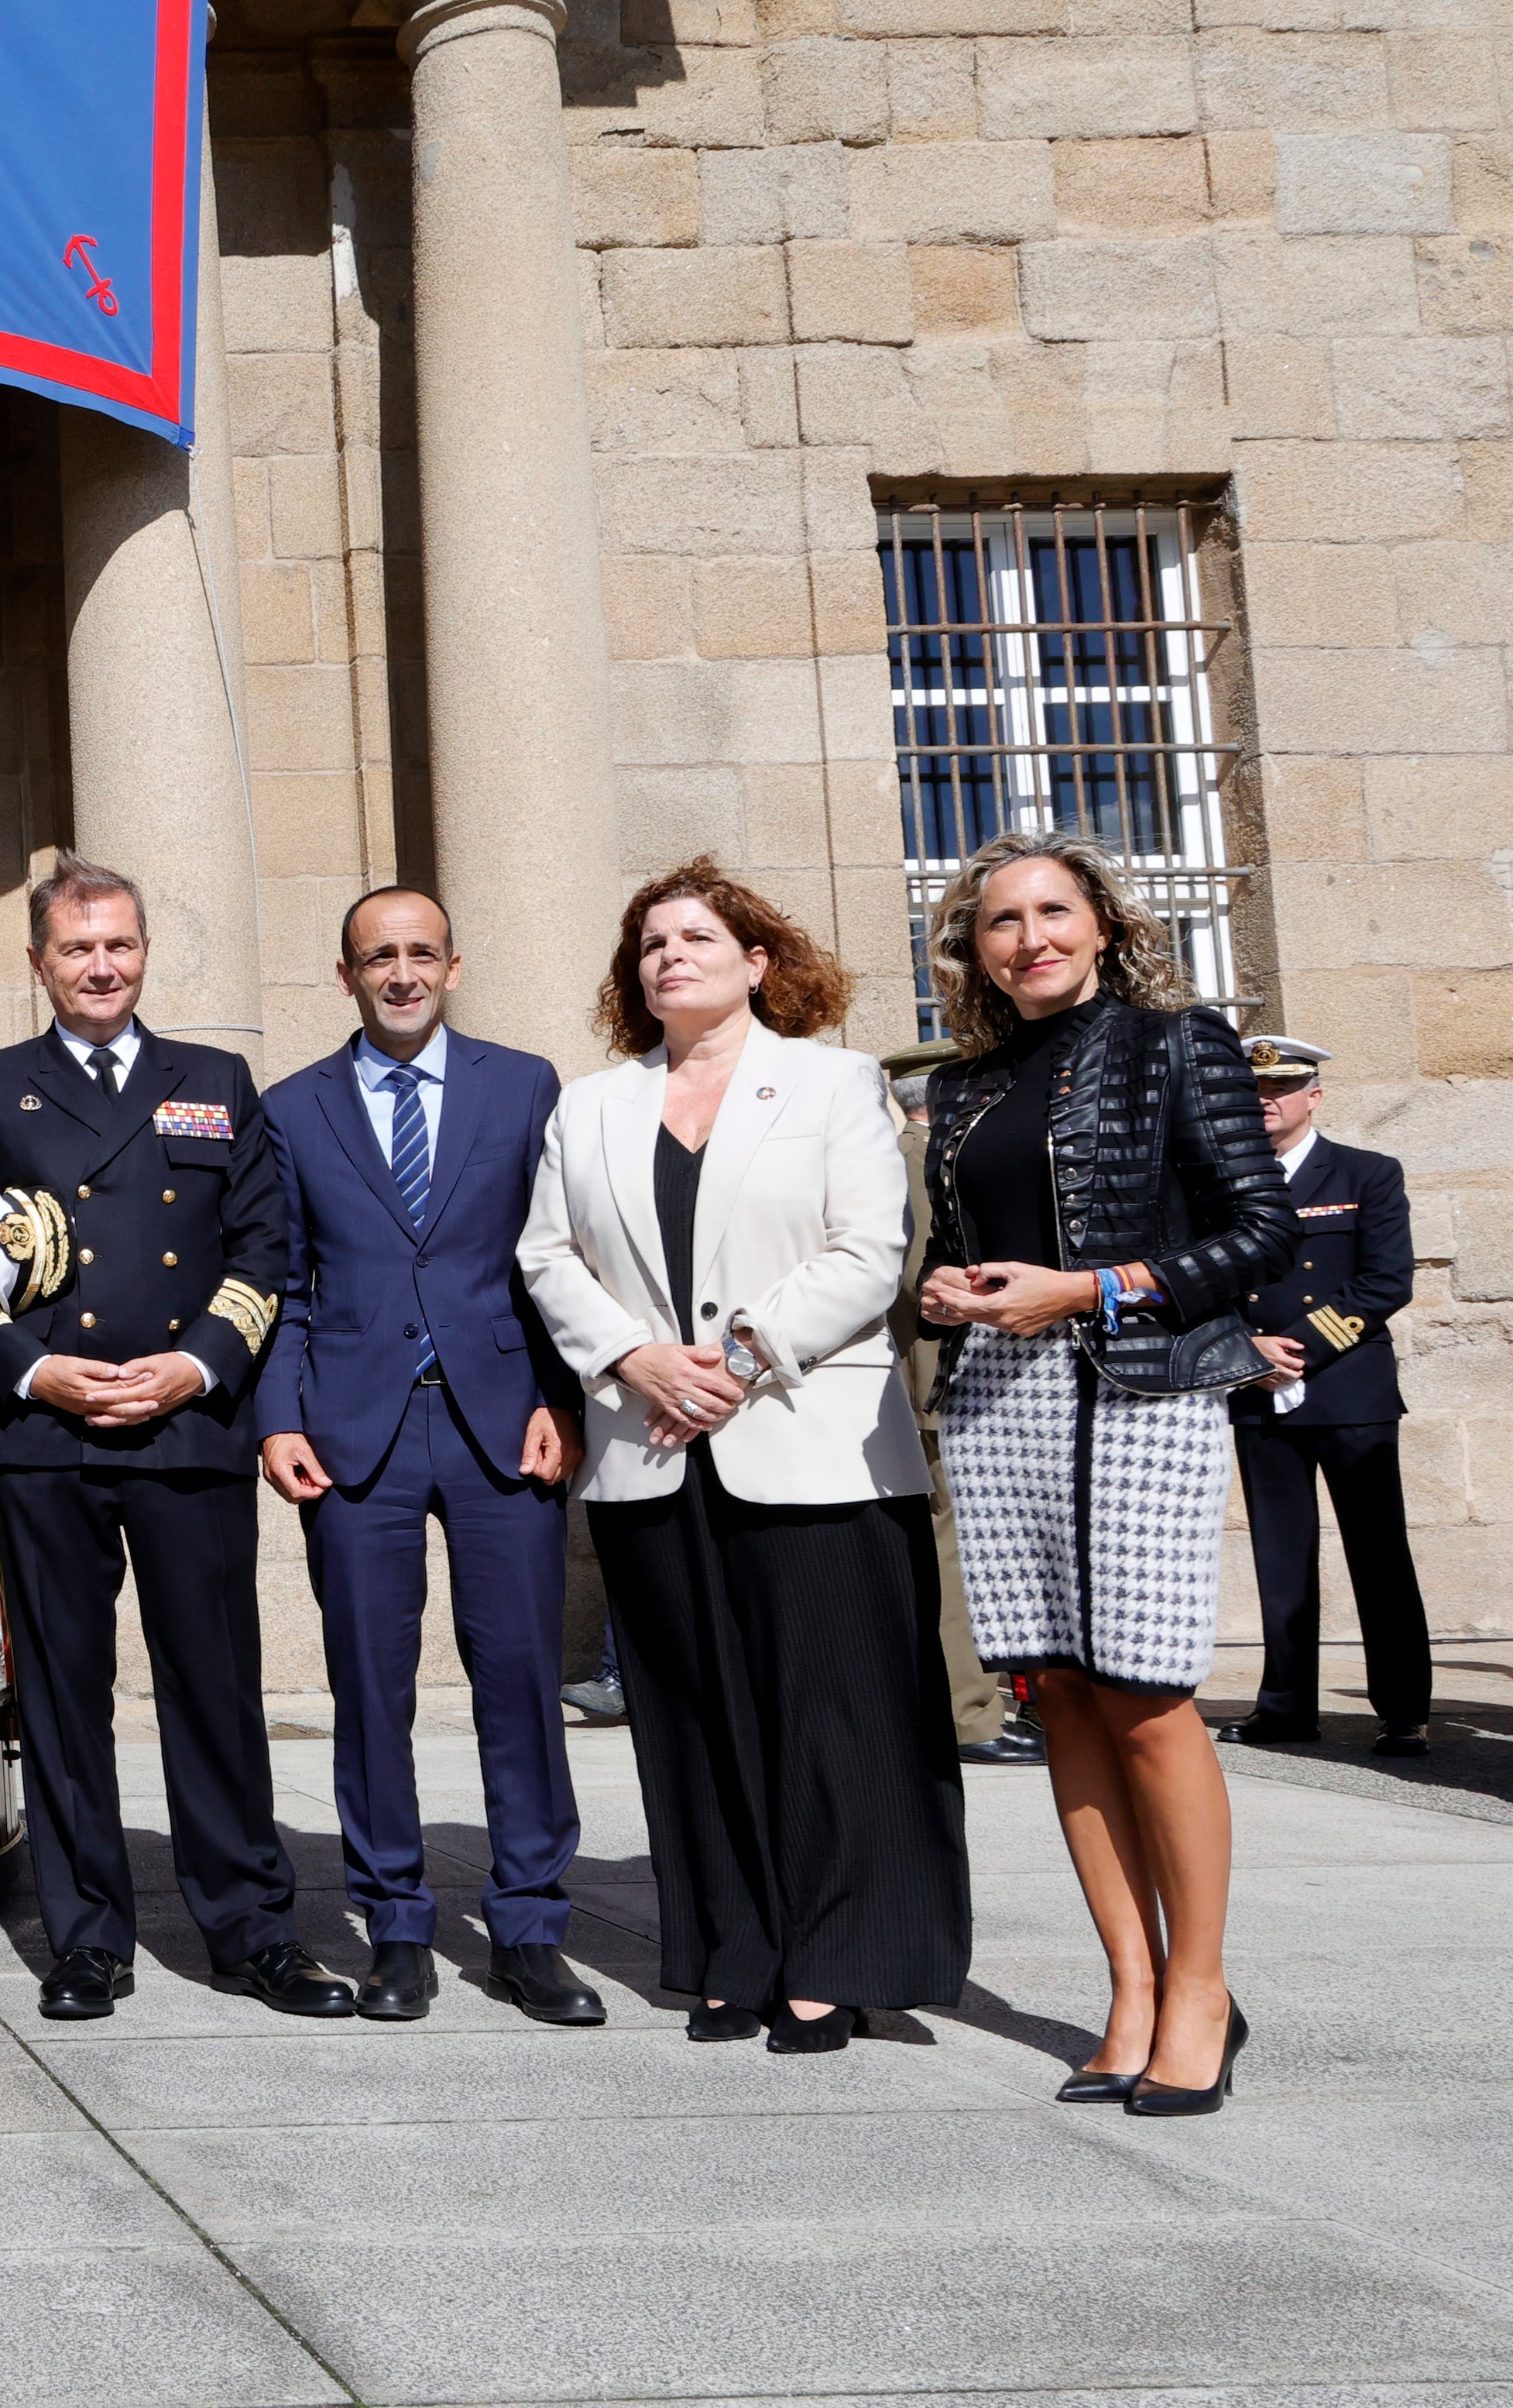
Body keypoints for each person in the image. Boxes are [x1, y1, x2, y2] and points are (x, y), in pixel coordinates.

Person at [517, 858, 968, 2057]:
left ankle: (835, 1962)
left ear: (758, 960)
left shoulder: (832, 1082)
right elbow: (549, 1257)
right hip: (651, 1444)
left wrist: (739, 1355)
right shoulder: (589, 1106)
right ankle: (733, 1953)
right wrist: (635, 1359)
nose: (671, 955)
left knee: (836, 1714)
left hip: (811, 1440)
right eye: (651, 943)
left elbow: (871, 1249)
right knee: (693, 1711)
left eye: (697, 937)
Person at [915, 828, 1292, 2117]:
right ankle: (1128, 1986)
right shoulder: (964, 1088)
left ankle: (1201, 1986)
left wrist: (1094, 1284)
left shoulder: (1175, 1040)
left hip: (1143, 1392)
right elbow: (967, 1246)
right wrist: (943, 1290)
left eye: (1053, 910)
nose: (1031, 936)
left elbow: (1259, 1228)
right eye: (1002, 919)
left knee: (1144, 1691)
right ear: (973, 947)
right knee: (1061, 1694)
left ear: (1101, 921)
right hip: (1003, 1399)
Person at [0, 854, 333, 2025]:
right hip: (47, 1432)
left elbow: (264, 1246)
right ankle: (88, 1936)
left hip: (185, 1424)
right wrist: (33, 1366)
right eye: (76, 948)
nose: (100, 966)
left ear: (145, 952)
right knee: (61, 1695)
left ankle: (251, 1929)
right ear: (41, 962)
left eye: (119, 945)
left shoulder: (213, 1077)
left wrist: (197, 1361)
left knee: (214, 1686)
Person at [256, 888, 599, 2026]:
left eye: (418, 954)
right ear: (345, 974)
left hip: (504, 1418)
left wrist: (563, 1397)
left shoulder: (523, 1084)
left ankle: (532, 1928)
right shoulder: (292, 1108)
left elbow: (557, 1258)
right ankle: (396, 1923)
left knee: (518, 1682)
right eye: (376, 957)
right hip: (354, 1432)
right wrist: (278, 1417)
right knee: (370, 1685)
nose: (399, 973)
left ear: (452, 965)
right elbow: (284, 1283)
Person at [1216, 1036, 1428, 1759]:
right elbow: (1204, 1281)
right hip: (1256, 1388)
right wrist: (1247, 1352)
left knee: (1378, 1553)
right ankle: (1285, 1707)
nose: (1265, 1101)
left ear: (1315, 1095)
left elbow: (1385, 1281)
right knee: (1281, 1555)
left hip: (1348, 1391)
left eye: (1283, 1088)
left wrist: (1297, 1347)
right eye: (1252, 1091)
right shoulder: (1221, 1184)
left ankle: (1404, 1709)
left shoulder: (1367, 1174)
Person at [882, 1040, 1047, 1770]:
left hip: (933, 1386)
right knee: (953, 1549)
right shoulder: (921, 1162)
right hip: (942, 1385)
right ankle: (972, 1715)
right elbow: (927, 1283)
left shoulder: (903, 1156)